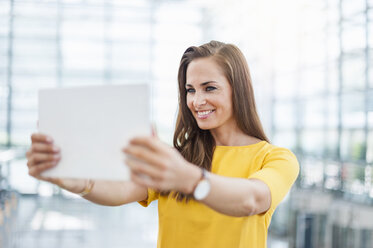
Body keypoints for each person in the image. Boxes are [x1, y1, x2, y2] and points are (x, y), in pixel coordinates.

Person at [26, 40, 299, 248]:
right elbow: (121, 190)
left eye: (209, 88)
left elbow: (252, 198)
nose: (196, 101)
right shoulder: (178, 158)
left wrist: (188, 178)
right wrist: (78, 182)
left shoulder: (275, 159)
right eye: (190, 90)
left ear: (238, 90)